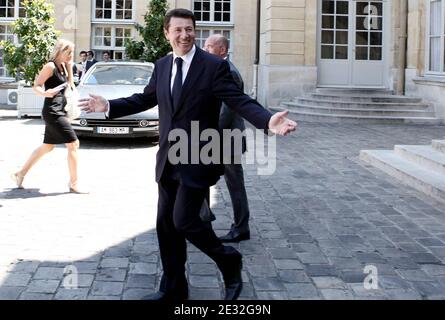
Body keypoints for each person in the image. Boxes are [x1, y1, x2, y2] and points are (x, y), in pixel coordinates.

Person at [79, 8, 296, 301]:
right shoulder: (163, 65)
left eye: (189, 29)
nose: (185, 35)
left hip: (199, 157)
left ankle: (228, 259)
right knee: (166, 226)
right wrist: (108, 106)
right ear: (167, 33)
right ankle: (173, 289)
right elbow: (144, 98)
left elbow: (239, 100)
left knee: (184, 221)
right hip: (168, 158)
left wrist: (268, 120)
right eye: (178, 30)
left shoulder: (212, 66)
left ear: (196, 31)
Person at [11, 39, 88, 194]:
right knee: (74, 143)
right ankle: (74, 183)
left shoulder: (64, 67)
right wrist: (46, 93)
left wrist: (69, 69)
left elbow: (70, 87)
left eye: (72, 52)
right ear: (60, 51)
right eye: (69, 52)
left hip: (61, 110)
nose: (71, 55)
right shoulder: (50, 66)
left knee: (48, 147)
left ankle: (20, 174)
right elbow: (36, 86)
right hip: (52, 111)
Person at [204, 34, 250, 243]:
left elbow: (227, 111)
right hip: (218, 136)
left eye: (210, 47)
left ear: (222, 51)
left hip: (226, 137)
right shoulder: (217, 69)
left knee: (235, 185)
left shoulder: (229, 72)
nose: (205, 50)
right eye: (204, 46)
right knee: (200, 176)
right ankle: (203, 217)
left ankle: (241, 228)